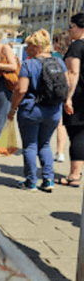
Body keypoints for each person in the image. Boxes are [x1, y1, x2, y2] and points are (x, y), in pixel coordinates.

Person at [7, 29, 67, 192]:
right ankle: (48, 180)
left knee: (30, 146)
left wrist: (13, 109)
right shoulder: (59, 63)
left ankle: (31, 182)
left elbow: (21, 90)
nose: (26, 49)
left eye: (29, 46)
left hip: (31, 110)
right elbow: (65, 85)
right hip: (53, 110)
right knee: (46, 144)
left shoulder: (29, 64)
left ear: (38, 48)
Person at [57, 13, 84, 187]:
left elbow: (72, 73)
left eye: (71, 26)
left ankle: (74, 175)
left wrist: (68, 98)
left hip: (79, 96)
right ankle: (77, 172)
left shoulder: (76, 47)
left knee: (77, 134)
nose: (68, 30)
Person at [53, 32, 72, 162]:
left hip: (55, 92)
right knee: (62, 125)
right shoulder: (71, 56)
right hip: (70, 91)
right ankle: (60, 152)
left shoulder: (54, 57)